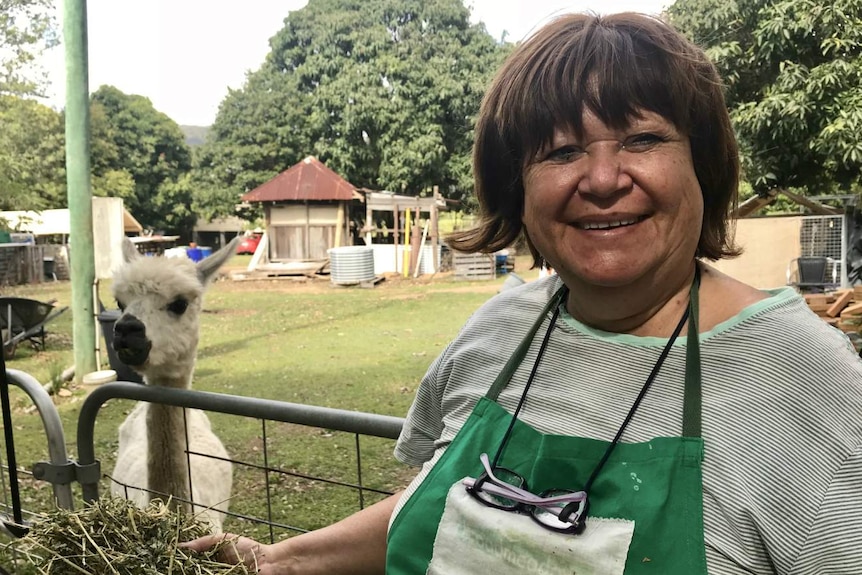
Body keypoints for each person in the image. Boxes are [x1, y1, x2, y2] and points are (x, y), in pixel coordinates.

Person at [184, 12, 862, 574]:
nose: (601, 178)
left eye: (643, 138)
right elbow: (451, 502)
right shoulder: (498, 330)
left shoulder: (804, 377)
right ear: (518, 186)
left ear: (703, 167)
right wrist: (278, 560)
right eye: (561, 151)